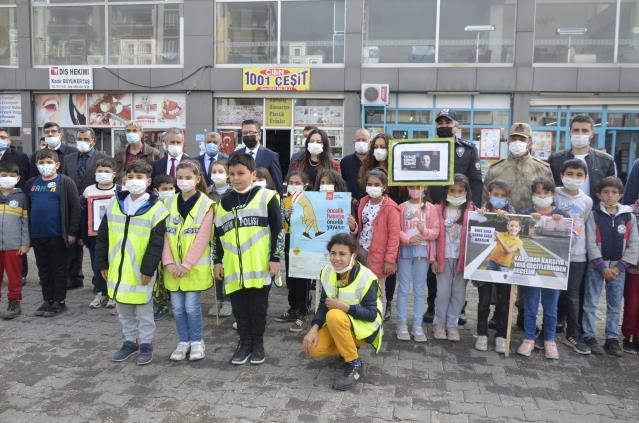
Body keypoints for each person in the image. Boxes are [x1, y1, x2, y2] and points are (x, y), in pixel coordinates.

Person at [213, 153, 283, 365]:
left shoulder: (267, 197)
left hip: (259, 266)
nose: (235, 178)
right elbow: (217, 236)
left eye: (241, 173)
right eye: (231, 174)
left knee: (258, 309)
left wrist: (275, 257)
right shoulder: (222, 203)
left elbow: (278, 230)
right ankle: (244, 344)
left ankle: (258, 345)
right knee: (239, 310)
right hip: (233, 268)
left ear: (253, 174)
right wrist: (217, 261)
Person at [96, 161, 168, 366]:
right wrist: (102, 263)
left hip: (141, 270)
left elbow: (156, 244)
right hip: (117, 268)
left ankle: (146, 344)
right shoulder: (115, 203)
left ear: (148, 181)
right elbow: (103, 235)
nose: (134, 181)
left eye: (139, 177)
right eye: (131, 177)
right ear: (124, 179)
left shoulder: (157, 209)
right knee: (124, 310)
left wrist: (148, 269)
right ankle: (130, 342)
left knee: (144, 311)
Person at [303, 233, 383, 391]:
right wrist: (313, 329)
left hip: (364, 331)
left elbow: (371, 314)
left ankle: (354, 363)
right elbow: (323, 305)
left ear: (353, 255)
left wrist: (344, 307)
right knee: (312, 347)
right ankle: (347, 348)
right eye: (333, 253)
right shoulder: (327, 272)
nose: (336, 258)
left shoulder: (366, 277)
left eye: (342, 254)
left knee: (334, 315)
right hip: (341, 325)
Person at [163, 160, 214, 362]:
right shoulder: (167, 203)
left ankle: (196, 341)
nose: (183, 181)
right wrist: (169, 263)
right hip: (172, 269)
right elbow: (164, 236)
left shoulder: (207, 204)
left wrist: (186, 265)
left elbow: (203, 238)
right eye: (180, 177)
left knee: (191, 307)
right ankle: (183, 341)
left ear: (198, 179)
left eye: (188, 178)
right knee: (176, 308)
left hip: (193, 269)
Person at [583, 176, 639, 357]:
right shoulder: (594, 215)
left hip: (618, 268)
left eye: (614, 192)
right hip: (596, 266)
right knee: (591, 302)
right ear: (599, 195)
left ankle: (611, 339)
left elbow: (634, 244)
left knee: (615, 305)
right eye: (606, 192)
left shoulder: (628, 216)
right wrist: (601, 266)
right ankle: (589, 336)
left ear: (621, 195)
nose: (610, 196)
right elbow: (590, 242)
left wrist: (619, 267)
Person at [517, 177, 567, 359]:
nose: (542, 196)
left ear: (552, 195)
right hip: (531, 268)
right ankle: (529, 338)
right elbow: (517, 238)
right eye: (538, 193)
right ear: (532, 195)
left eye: (546, 193)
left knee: (551, 307)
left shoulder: (562, 214)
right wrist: (529, 222)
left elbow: (572, 240)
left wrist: (560, 224)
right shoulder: (525, 213)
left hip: (552, 270)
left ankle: (549, 340)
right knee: (530, 305)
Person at [26, 149, 80, 317]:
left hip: (57, 235)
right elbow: (27, 208)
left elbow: (75, 209)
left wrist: (72, 232)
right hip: (37, 235)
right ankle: (47, 300)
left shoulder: (65, 182)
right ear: (36, 165)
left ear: (57, 164)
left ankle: (59, 301)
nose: (45, 166)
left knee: (58, 269)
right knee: (43, 269)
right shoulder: (31, 183)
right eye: (41, 163)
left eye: (49, 162)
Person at [554, 159, 593, 354]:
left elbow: (584, 223)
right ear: (562, 175)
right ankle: (548, 330)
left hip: (577, 255)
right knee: (553, 292)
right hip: (554, 252)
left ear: (585, 178)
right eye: (570, 174)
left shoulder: (587, 201)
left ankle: (573, 333)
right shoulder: (553, 194)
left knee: (573, 296)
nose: (574, 178)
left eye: (579, 175)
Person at [474, 179, 516, 352]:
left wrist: (507, 218)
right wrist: (481, 216)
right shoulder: (480, 211)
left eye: (502, 196)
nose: (498, 198)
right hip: (486, 265)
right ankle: (482, 333)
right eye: (495, 195)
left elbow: (517, 231)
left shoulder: (513, 215)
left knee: (504, 302)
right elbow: (473, 232)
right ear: (489, 194)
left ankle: (501, 335)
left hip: (505, 266)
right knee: (483, 301)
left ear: (507, 198)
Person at [64, 128, 109, 290]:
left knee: (95, 246)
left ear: (93, 141)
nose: (81, 141)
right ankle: (74, 277)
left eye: (85, 138)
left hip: (95, 209)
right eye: (79, 138)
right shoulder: (68, 159)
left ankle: (99, 280)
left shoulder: (103, 158)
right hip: (73, 207)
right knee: (73, 243)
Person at [432, 174, 474, 343]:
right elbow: (433, 237)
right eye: (452, 190)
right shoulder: (437, 209)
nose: (456, 194)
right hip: (443, 257)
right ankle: (439, 323)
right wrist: (432, 258)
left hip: (462, 260)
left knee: (458, 293)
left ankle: (452, 324)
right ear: (446, 191)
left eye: (460, 191)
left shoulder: (471, 210)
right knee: (443, 293)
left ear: (466, 192)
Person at [353, 168, 400, 315]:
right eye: (370, 184)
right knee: (359, 287)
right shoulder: (363, 202)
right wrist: (353, 227)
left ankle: (377, 323)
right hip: (361, 252)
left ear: (384, 186)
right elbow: (360, 228)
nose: (372, 187)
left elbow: (394, 237)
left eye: (377, 184)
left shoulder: (391, 207)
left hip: (379, 256)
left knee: (378, 291)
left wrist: (389, 260)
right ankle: (361, 319)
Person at [396, 185, 439, 342]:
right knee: (403, 288)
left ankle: (417, 325)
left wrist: (425, 232)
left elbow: (436, 231)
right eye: (412, 187)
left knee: (420, 289)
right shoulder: (401, 207)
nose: (415, 190)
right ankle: (401, 324)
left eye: (418, 187)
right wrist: (408, 239)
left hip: (423, 253)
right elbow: (396, 229)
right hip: (405, 252)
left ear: (425, 188)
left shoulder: (431, 208)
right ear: (407, 188)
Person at [275, 171, 314, 332]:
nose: (293, 185)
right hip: (290, 242)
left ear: (305, 185)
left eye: (297, 182)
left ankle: (303, 310)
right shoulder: (285, 201)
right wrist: (286, 214)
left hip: (304, 242)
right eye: (291, 182)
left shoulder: (309, 200)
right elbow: (280, 222)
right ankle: (293, 308)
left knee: (302, 278)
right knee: (290, 278)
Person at [548, 115, 616, 201]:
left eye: (585, 131)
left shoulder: (606, 161)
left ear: (592, 134)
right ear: (570, 133)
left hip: (594, 212)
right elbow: (549, 188)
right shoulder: (555, 159)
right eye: (576, 130)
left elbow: (612, 189)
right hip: (562, 212)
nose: (580, 134)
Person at [82, 158, 118, 310]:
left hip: (115, 235)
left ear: (114, 174)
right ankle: (100, 292)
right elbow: (83, 214)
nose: (103, 174)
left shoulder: (120, 190)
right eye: (100, 171)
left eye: (107, 172)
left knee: (114, 264)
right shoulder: (88, 190)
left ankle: (113, 294)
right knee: (98, 265)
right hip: (94, 236)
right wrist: (83, 236)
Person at [0, 127, 30, 286]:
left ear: (9, 140)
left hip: (15, 201)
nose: (1, 139)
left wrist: (20, 198)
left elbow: (25, 180)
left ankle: (22, 273)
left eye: (3, 137)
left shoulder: (20, 156)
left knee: (16, 239)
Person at [0, 161, 29, 319]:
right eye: (4, 175)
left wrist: (25, 243)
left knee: (14, 276)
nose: (7, 178)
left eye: (12, 176)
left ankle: (14, 302)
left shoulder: (21, 197)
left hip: (14, 246)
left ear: (18, 178)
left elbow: (24, 223)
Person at [231, 119, 283, 194]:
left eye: (251, 132)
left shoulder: (271, 156)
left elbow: (278, 184)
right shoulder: (234, 155)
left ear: (259, 135)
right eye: (245, 133)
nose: (248, 135)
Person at [152, 174, 176, 320]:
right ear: (157, 190)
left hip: (173, 246)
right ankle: (162, 305)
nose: (168, 191)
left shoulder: (176, 204)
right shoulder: (154, 204)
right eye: (164, 189)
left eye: (171, 188)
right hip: (157, 246)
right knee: (159, 278)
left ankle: (173, 303)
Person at [341, 128, 371, 200]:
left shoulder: (375, 161)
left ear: (370, 142)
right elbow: (341, 183)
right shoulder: (345, 161)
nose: (361, 143)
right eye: (358, 140)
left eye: (364, 140)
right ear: (354, 143)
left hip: (371, 203)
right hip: (350, 204)